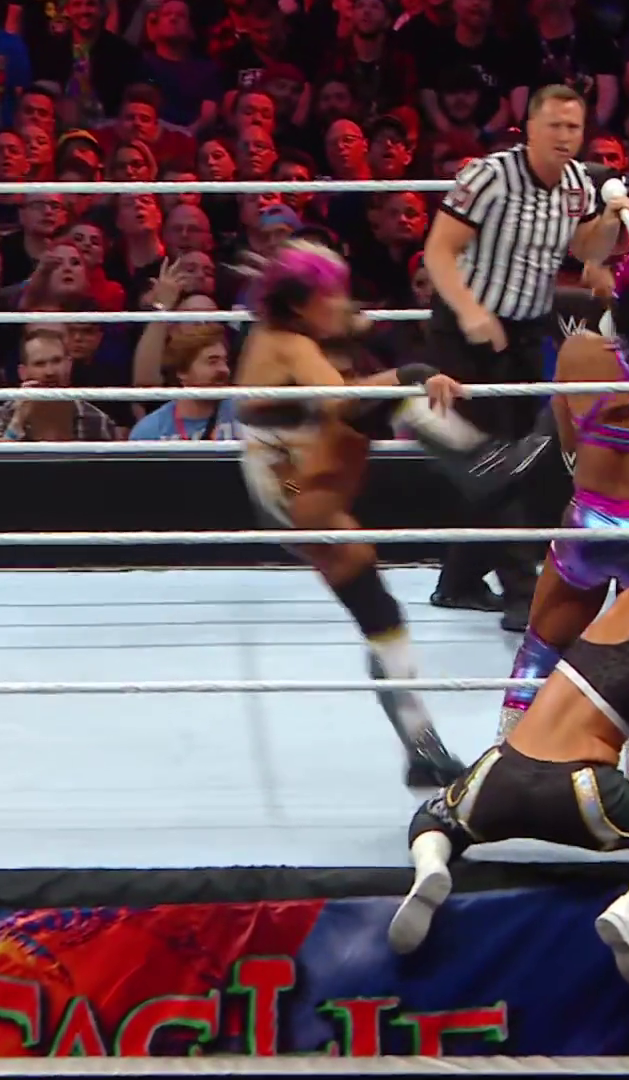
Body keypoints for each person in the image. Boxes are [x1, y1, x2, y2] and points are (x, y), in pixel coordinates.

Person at [390, 515, 629, 993]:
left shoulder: (621, 617)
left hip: (498, 775)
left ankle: (432, 868)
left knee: (435, 816)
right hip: (583, 796)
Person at [235, 239, 471, 789]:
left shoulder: (292, 336)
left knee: (379, 612)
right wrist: (410, 373)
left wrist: (375, 349)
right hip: (290, 488)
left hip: (295, 482)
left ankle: (421, 748)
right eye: (332, 294)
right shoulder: (287, 343)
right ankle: (484, 466)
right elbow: (340, 400)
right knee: (382, 400)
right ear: (301, 305)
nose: (343, 302)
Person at [422, 83, 629, 628]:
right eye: (555, 126)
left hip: (523, 332)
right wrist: (470, 310)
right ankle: (522, 593)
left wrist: (611, 220)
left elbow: (585, 249)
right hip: (464, 329)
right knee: (494, 461)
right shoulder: (489, 176)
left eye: (574, 127)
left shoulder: (576, 184)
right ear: (531, 127)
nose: (565, 136)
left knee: (512, 460)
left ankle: (459, 582)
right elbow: (438, 250)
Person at [496, 270, 629, 786]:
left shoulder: (579, 352)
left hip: (590, 521)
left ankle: (500, 773)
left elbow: (567, 433)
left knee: (539, 651)